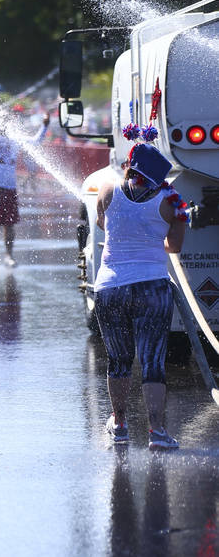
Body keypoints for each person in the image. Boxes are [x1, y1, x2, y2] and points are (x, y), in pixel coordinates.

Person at [94, 143, 185, 450]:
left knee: (118, 360)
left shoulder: (107, 189)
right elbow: (173, 247)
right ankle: (157, 432)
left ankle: (119, 426)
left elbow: (101, 224)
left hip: (110, 286)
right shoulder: (171, 202)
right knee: (152, 361)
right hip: (152, 286)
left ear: (129, 168)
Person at [0, 111, 50, 266]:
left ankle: (9, 256)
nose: (5, 124)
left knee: (10, 223)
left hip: (9, 187)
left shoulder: (15, 139)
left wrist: (45, 126)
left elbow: (36, 141)